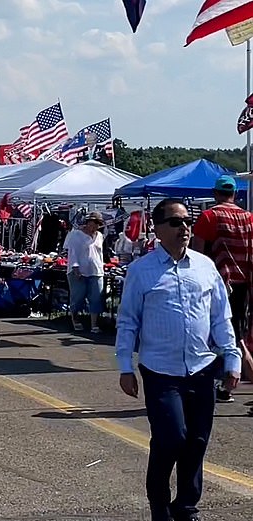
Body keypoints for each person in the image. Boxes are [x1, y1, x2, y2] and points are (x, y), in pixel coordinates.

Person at [115, 198, 241, 521]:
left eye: (187, 221)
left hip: (202, 367)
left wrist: (232, 358)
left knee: (197, 440)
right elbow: (127, 321)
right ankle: (160, 503)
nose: (184, 228)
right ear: (157, 230)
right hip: (160, 370)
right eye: (175, 222)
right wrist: (125, 367)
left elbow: (220, 318)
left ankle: (186, 506)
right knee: (171, 437)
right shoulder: (141, 271)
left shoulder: (204, 266)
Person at [192, 174, 253, 404]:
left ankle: (227, 383)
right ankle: (223, 385)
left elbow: (197, 255)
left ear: (215, 193)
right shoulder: (249, 218)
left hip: (217, 284)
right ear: (235, 194)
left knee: (231, 339)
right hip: (243, 284)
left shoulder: (209, 216)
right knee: (233, 335)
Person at [63, 211, 105, 333]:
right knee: (77, 297)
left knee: (96, 297)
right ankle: (75, 319)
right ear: (87, 223)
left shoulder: (100, 236)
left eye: (97, 224)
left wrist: (102, 267)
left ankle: (94, 325)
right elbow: (73, 253)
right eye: (92, 224)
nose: (94, 227)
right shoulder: (76, 235)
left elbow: (100, 254)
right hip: (79, 271)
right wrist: (75, 268)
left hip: (96, 271)